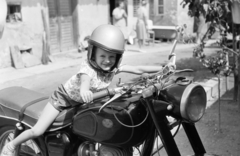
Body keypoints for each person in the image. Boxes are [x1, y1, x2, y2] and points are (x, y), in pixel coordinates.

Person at [0, 24, 171, 156]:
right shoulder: (87, 70)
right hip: (63, 100)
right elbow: (85, 83)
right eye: (102, 56)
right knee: (38, 130)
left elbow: (138, 69)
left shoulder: (112, 70)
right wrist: (84, 91)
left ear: (117, 58)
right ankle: (11, 145)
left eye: (112, 57)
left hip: (86, 102)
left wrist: (162, 68)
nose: (107, 60)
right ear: (93, 54)